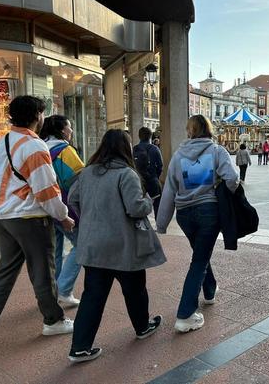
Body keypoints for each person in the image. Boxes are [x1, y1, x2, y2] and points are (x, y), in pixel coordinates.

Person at [0, 96, 75, 350]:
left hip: (1, 217)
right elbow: (47, 189)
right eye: (42, 113)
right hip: (28, 218)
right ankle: (53, 321)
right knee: (43, 271)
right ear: (37, 116)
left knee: (4, 272)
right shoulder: (34, 146)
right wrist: (62, 215)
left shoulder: (0, 142)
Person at [67, 129, 166, 363]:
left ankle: (80, 347)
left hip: (93, 245)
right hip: (123, 245)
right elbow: (135, 208)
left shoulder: (87, 172)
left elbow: (72, 199)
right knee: (135, 289)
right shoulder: (126, 174)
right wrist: (147, 204)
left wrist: (90, 217)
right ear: (125, 148)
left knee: (93, 296)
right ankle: (142, 327)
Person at [156, 115, 238, 333]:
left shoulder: (178, 155)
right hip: (209, 211)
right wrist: (222, 188)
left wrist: (162, 222)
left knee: (200, 254)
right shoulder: (217, 151)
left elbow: (169, 190)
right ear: (208, 129)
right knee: (199, 259)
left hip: (184, 214)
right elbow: (232, 178)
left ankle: (209, 291)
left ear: (190, 131)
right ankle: (185, 314)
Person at [39, 115, 84, 308]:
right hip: (65, 206)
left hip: (43, 207)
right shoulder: (65, 150)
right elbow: (77, 180)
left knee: (55, 251)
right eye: (70, 127)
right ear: (62, 130)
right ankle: (64, 289)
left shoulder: (40, 148)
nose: (71, 131)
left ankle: (53, 292)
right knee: (81, 245)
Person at [133, 127, 164, 218]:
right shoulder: (154, 148)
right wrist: (155, 176)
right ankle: (158, 224)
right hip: (152, 180)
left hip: (138, 181)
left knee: (138, 204)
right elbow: (160, 165)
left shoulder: (134, 149)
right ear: (150, 136)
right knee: (157, 203)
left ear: (139, 136)